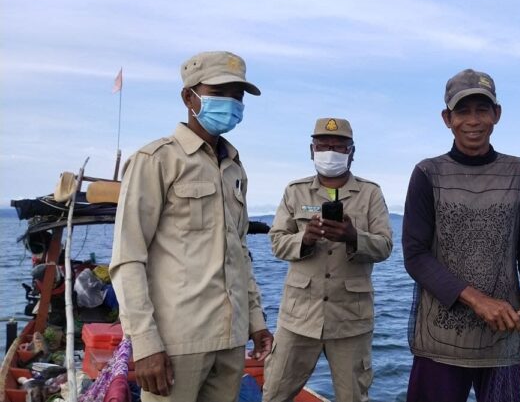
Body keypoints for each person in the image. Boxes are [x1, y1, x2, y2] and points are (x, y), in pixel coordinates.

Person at [110, 51, 273, 402]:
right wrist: (145, 342)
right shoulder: (156, 161)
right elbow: (128, 258)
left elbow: (239, 254)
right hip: (175, 343)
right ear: (189, 97)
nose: (230, 103)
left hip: (231, 340)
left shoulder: (235, 168)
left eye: (237, 95)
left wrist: (256, 322)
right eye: (219, 92)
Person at [402, 69, 520, 402]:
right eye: (462, 111)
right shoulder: (428, 173)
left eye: (482, 110)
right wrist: (477, 300)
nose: (473, 121)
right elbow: (415, 256)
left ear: (497, 114)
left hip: (504, 337)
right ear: (447, 118)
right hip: (439, 340)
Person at [263, 118, 393, 402]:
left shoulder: (371, 193)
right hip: (298, 317)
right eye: (323, 146)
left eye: (338, 146)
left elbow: (385, 246)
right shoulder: (294, 191)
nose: (330, 152)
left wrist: (353, 237)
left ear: (352, 152)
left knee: (353, 396)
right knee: (274, 393)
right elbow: (276, 242)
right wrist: (304, 239)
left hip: (351, 320)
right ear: (311, 151)